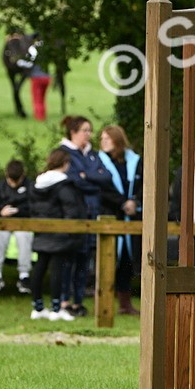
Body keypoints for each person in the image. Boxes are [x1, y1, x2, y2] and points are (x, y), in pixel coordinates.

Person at [59, 115, 114, 316]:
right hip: (74, 214)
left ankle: (79, 301)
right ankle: (64, 300)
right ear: (73, 132)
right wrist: (92, 179)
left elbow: (106, 177)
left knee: (85, 258)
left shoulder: (93, 154)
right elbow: (73, 180)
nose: (89, 134)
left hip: (93, 212)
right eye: (85, 130)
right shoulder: (64, 153)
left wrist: (86, 176)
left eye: (90, 130)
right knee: (69, 259)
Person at [27, 148, 88, 321]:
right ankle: (56, 309)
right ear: (65, 163)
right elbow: (72, 210)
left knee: (40, 268)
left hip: (42, 231)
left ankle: (37, 307)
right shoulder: (64, 186)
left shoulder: (37, 184)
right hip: (60, 233)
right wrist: (71, 231)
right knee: (57, 271)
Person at [97, 125, 143, 315]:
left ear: (117, 140)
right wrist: (123, 203)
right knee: (107, 260)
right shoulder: (98, 162)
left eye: (107, 138)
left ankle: (125, 303)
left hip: (132, 219)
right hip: (110, 215)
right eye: (102, 139)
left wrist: (135, 202)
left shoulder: (135, 161)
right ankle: (103, 304)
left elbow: (145, 183)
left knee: (126, 261)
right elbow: (101, 188)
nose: (103, 142)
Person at [0, 159, 33, 295]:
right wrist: (0, 213)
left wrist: (19, 211)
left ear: (23, 176)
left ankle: (24, 276)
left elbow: (36, 208)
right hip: (3, 224)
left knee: (24, 237)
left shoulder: (30, 187)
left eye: (17, 181)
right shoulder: (0, 187)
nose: (14, 184)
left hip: (23, 224)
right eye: (11, 181)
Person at [169, 138, 195, 265]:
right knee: (185, 257)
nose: (194, 153)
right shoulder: (183, 171)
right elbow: (176, 196)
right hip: (185, 224)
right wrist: (177, 216)